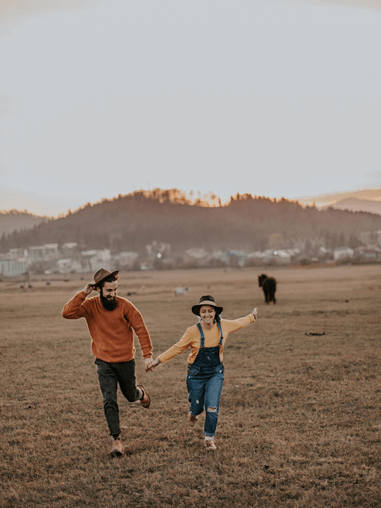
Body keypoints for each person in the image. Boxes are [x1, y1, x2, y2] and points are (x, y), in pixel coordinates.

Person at [62, 268, 153, 457]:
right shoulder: (90, 306)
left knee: (130, 395)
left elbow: (141, 330)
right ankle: (117, 440)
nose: (113, 294)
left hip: (125, 361)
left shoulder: (125, 306)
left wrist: (147, 356)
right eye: (109, 291)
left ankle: (141, 393)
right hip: (103, 362)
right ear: (99, 290)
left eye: (115, 290)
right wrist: (84, 292)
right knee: (109, 399)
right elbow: (67, 313)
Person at [148, 295, 257, 451]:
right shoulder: (192, 331)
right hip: (196, 374)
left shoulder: (223, 326)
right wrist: (158, 360)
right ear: (199, 313)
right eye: (203, 311)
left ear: (215, 313)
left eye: (210, 311)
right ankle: (193, 412)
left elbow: (240, 322)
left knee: (212, 407)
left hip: (215, 373)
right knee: (197, 405)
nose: (207, 314)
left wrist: (252, 316)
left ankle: (209, 439)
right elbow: (177, 348)